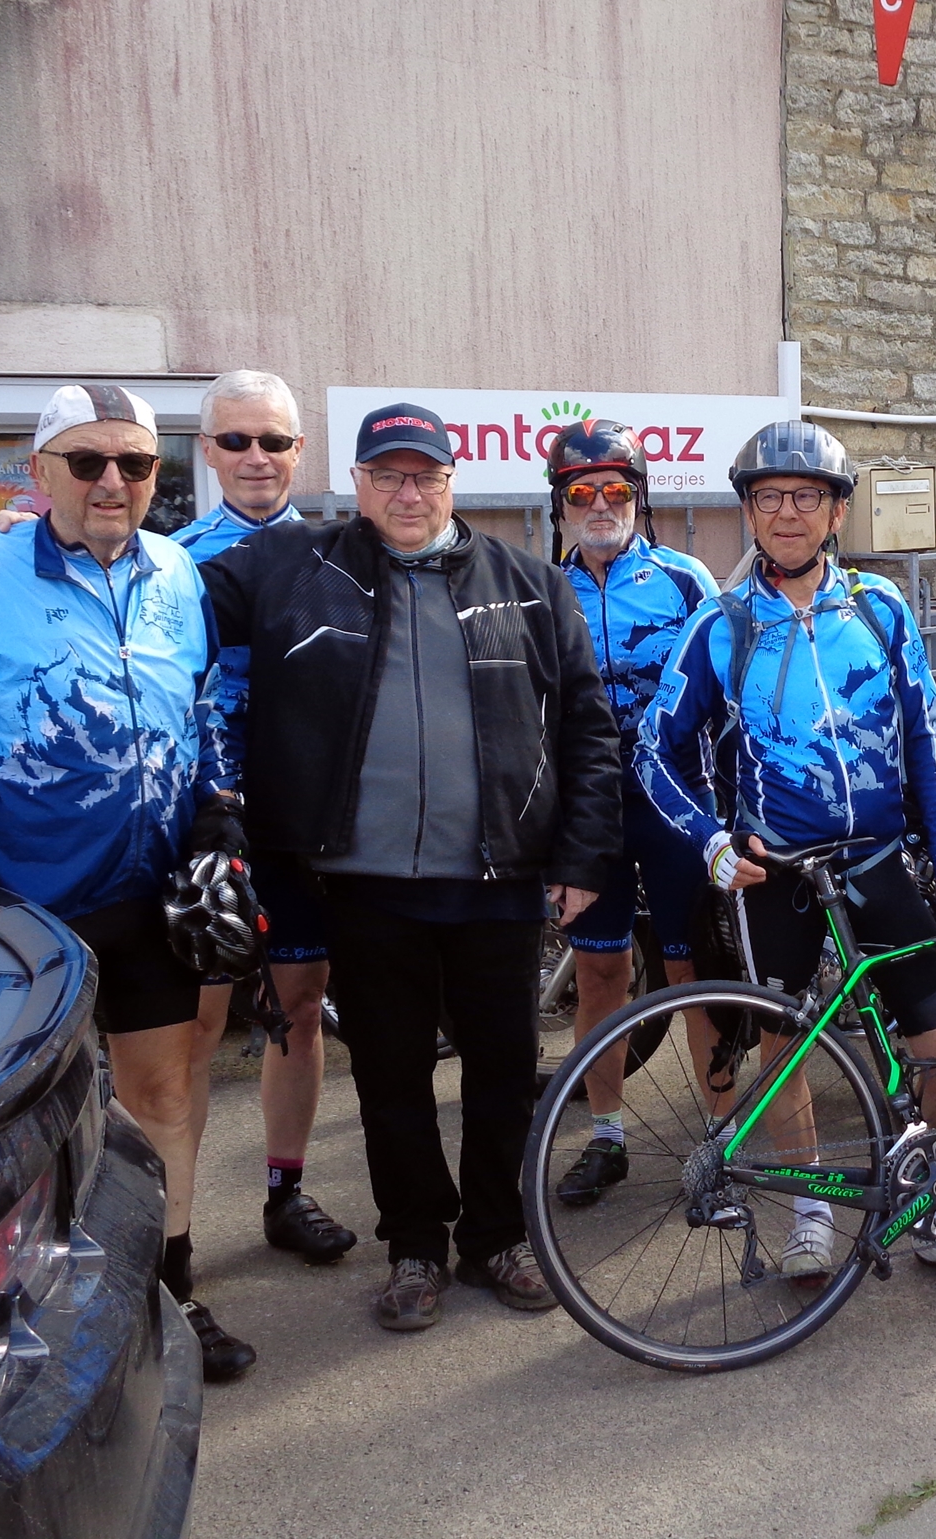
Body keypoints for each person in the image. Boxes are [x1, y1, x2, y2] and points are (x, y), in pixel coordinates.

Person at [195, 402, 621, 1332]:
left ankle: (498, 1236)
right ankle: (416, 1246)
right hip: (364, 882)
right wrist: (39, 538)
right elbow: (159, 588)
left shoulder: (529, 583)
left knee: (503, 1072)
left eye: (424, 474)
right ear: (356, 483)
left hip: (498, 878)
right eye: (386, 475)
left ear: (452, 481)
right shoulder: (294, 565)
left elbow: (589, 729)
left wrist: (583, 853)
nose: (407, 492)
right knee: (391, 1080)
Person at [0, 382, 258, 1381]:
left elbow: (203, 703)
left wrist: (218, 801)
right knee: (28, 1119)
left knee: (163, 1092)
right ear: (41, 472)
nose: (112, 481)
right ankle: (19, 1313)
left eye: (135, 463)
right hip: (21, 903)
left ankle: (167, 1293)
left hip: (152, 890)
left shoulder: (177, 569)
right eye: (87, 462)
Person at [637, 421, 936, 1281]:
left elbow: (925, 741)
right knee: (786, 1045)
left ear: (838, 512)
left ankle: (931, 1204)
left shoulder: (880, 610)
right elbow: (654, 751)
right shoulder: (721, 625)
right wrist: (709, 840)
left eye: (807, 496)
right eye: (769, 497)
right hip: (778, 872)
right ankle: (810, 1212)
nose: (788, 512)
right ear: (749, 512)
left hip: (878, 860)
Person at [166, 370, 356, 1265]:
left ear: (298, 450)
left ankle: (285, 1193)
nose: (256, 457)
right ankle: (174, 1231)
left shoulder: (336, 556)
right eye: (236, 440)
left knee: (302, 1008)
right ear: (207, 450)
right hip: (205, 826)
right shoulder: (167, 562)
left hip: (300, 824)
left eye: (273, 441)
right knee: (195, 1033)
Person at [540, 420, 722, 1206]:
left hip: (678, 804)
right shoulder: (544, 589)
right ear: (559, 505)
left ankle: (721, 1141)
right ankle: (607, 1137)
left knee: (693, 970)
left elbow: (730, 694)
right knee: (600, 972)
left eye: (616, 489)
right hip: (589, 812)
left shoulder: (685, 579)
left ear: (639, 498)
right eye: (581, 491)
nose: (600, 504)